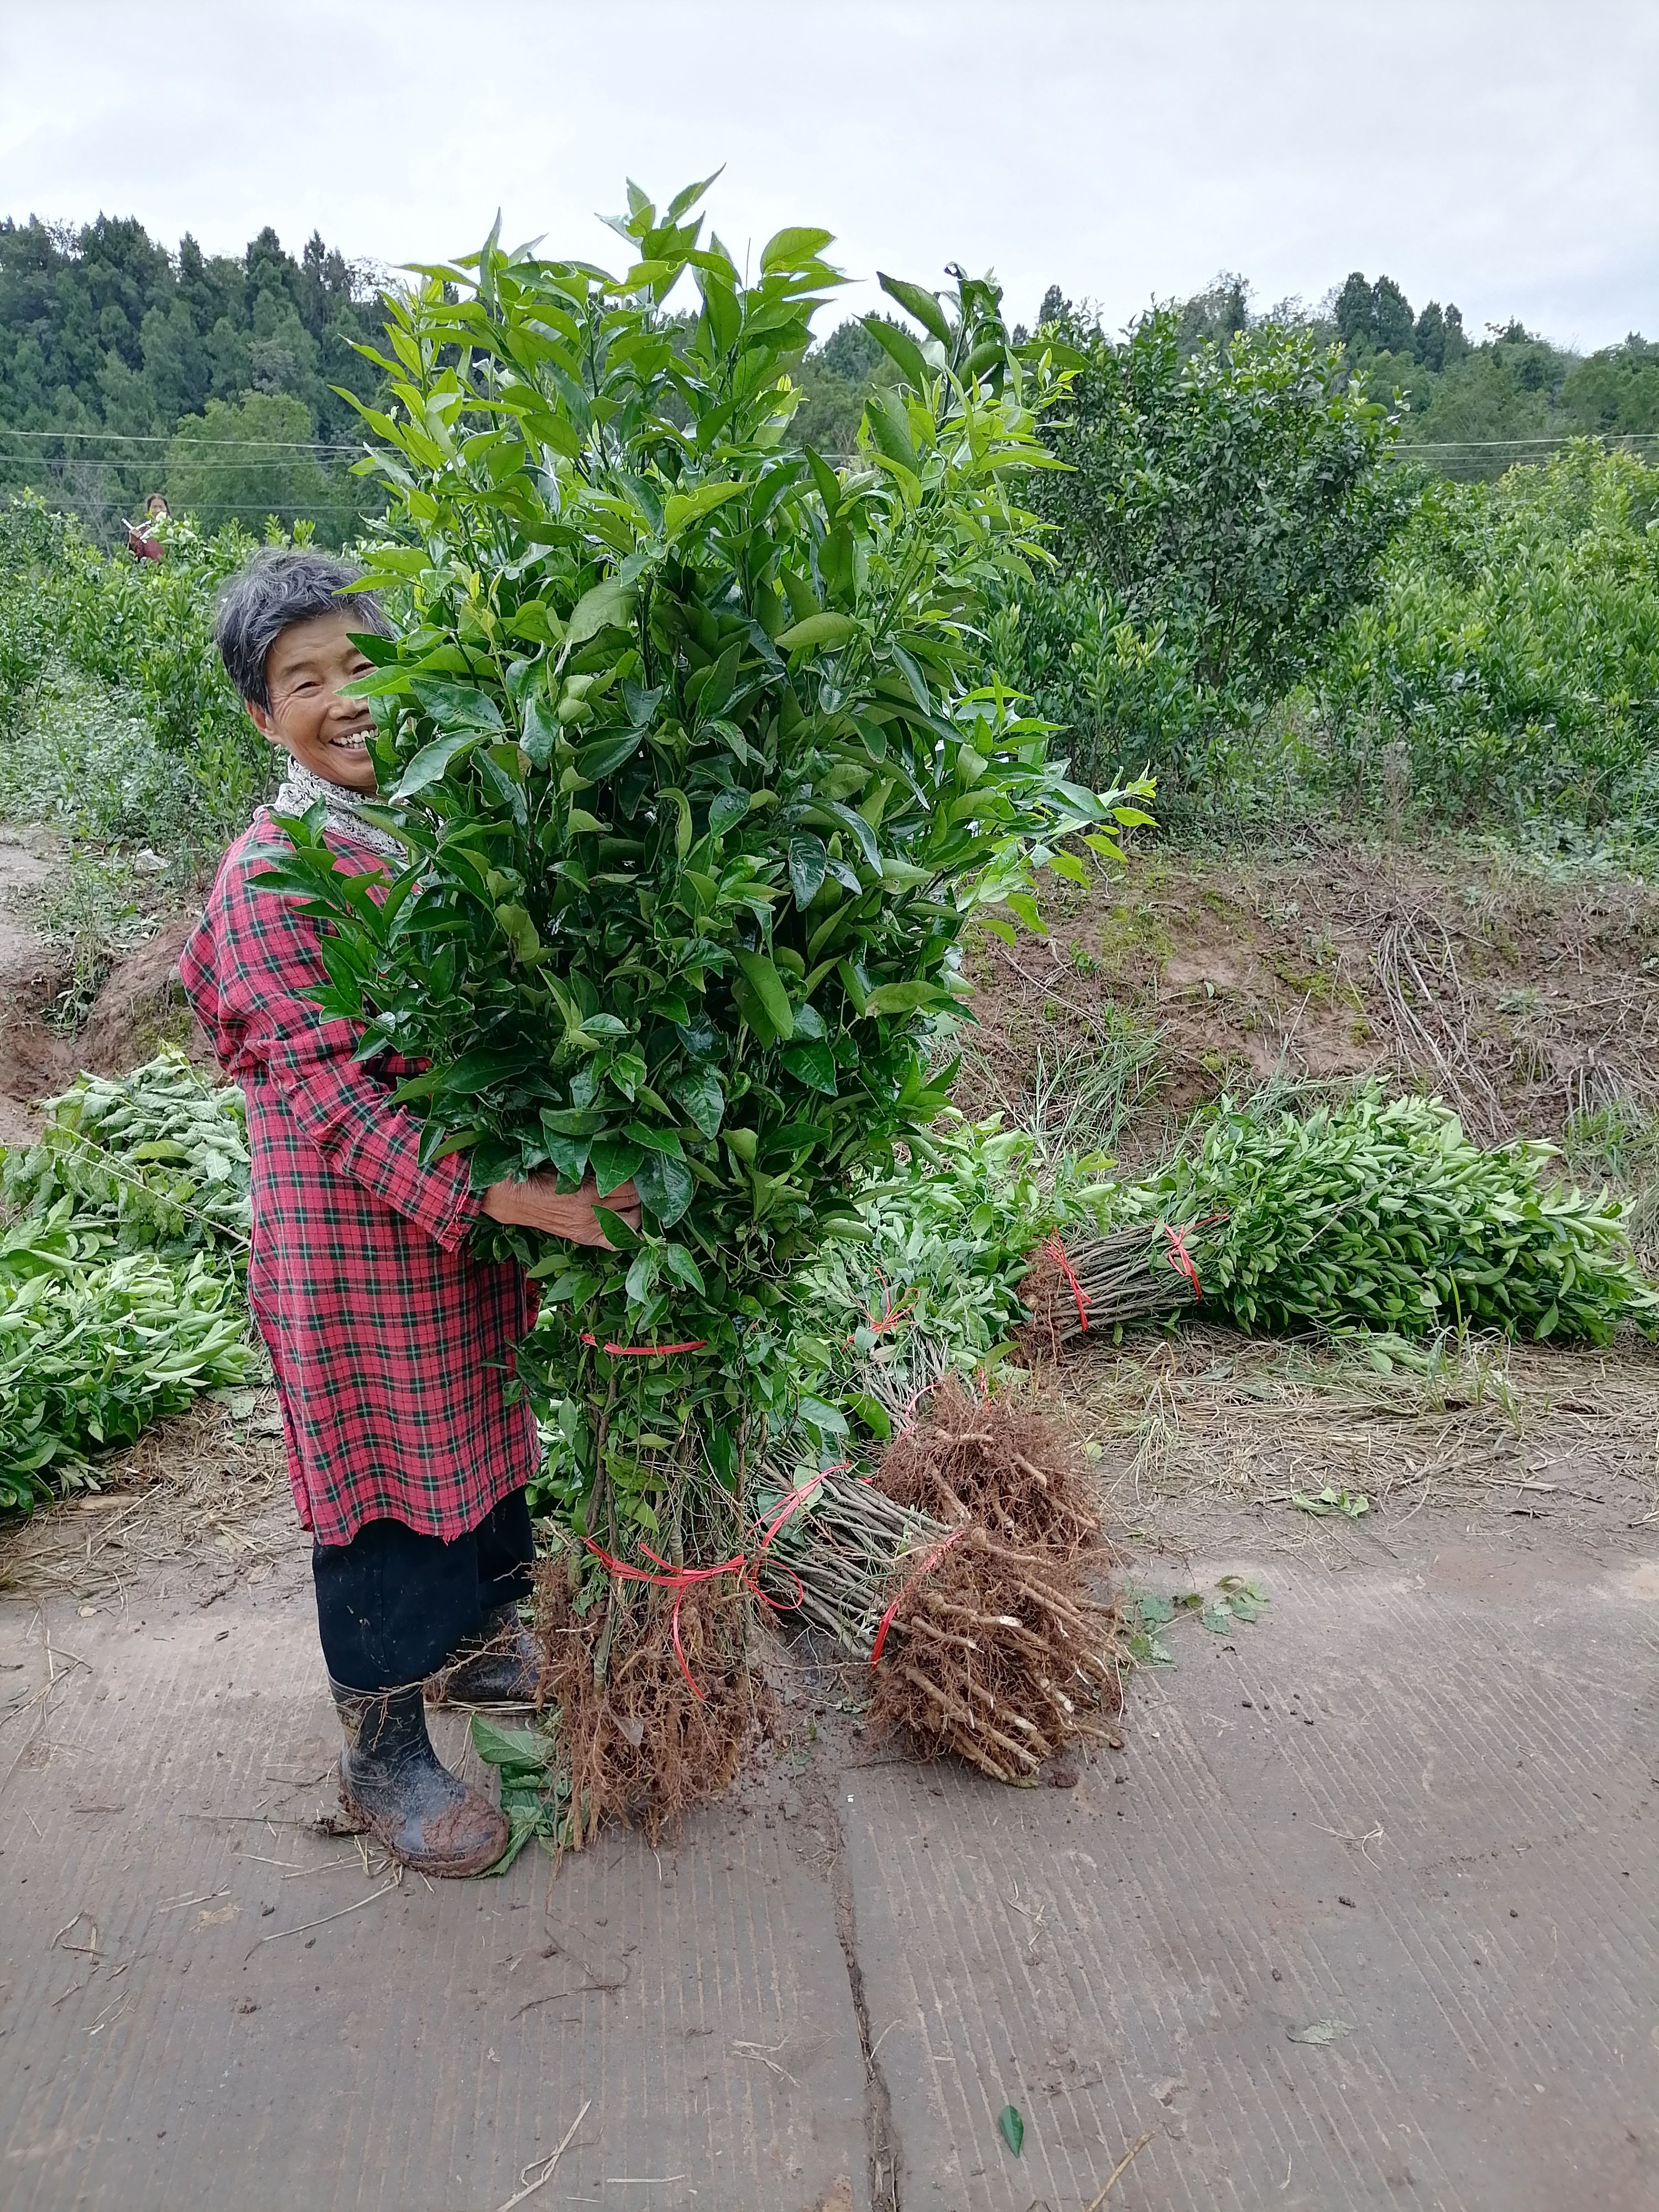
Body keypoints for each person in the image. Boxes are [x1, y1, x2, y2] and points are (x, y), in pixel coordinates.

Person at [180, 548, 640, 1876]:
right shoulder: (273, 874)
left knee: (483, 1432)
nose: (345, 699)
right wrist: (527, 1200)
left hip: (457, 1228)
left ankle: (484, 1645)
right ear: (267, 718)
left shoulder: (435, 826)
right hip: (352, 1236)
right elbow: (333, 1098)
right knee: (380, 1480)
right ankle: (379, 1751)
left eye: (360, 662)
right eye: (302, 680)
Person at [126, 491, 168, 562]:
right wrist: (132, 543)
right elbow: (133, 560)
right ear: (149, 511)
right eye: (154, 507)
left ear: (167, 510)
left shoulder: (174, 532)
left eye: (161, 507)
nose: (158, 511)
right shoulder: (142, 534)